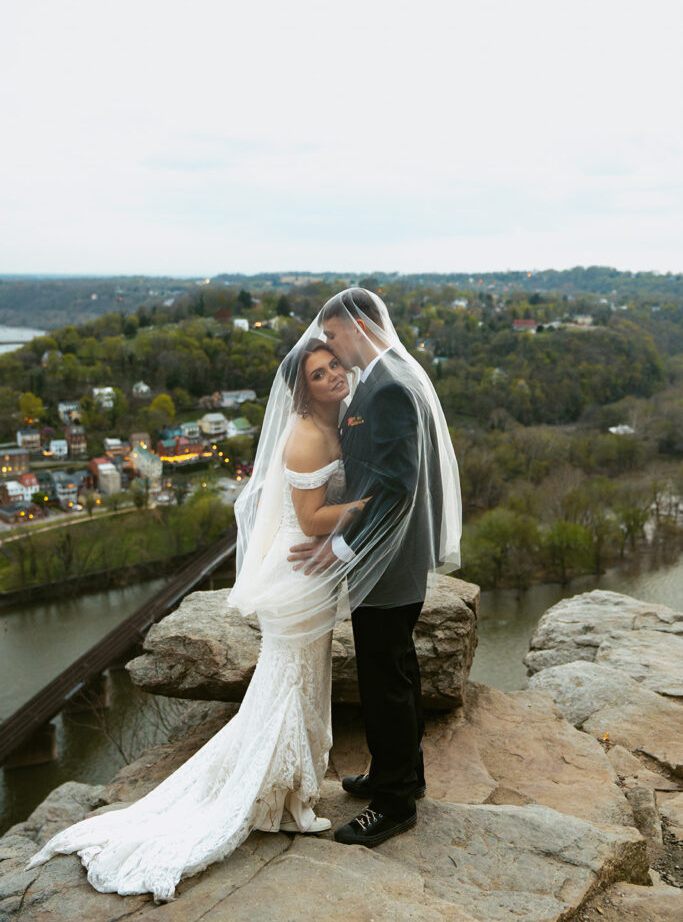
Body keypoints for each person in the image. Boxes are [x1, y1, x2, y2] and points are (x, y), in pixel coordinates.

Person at [25, 341, 368, 903]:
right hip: (300, 575)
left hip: (310, 576)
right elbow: (309, 519)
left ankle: (287, 796)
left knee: (302, 681)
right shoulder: (307, 436)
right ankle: (280, 797)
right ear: (302, 389)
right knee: (293, 683)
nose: (332, 376)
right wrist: (365, 503)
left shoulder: (335, 424)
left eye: (334, 366)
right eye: (318, 372)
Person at [288, 288, 461, 848]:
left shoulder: (387, 387)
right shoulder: (391, 375)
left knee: (384, 680)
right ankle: (401, 775)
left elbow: (391, 488)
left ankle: (394, 805)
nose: (332, 349)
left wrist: (338, 549)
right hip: (392, 558)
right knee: (397, 672)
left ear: (358, 325)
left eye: (334, 337)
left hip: (386, 560)